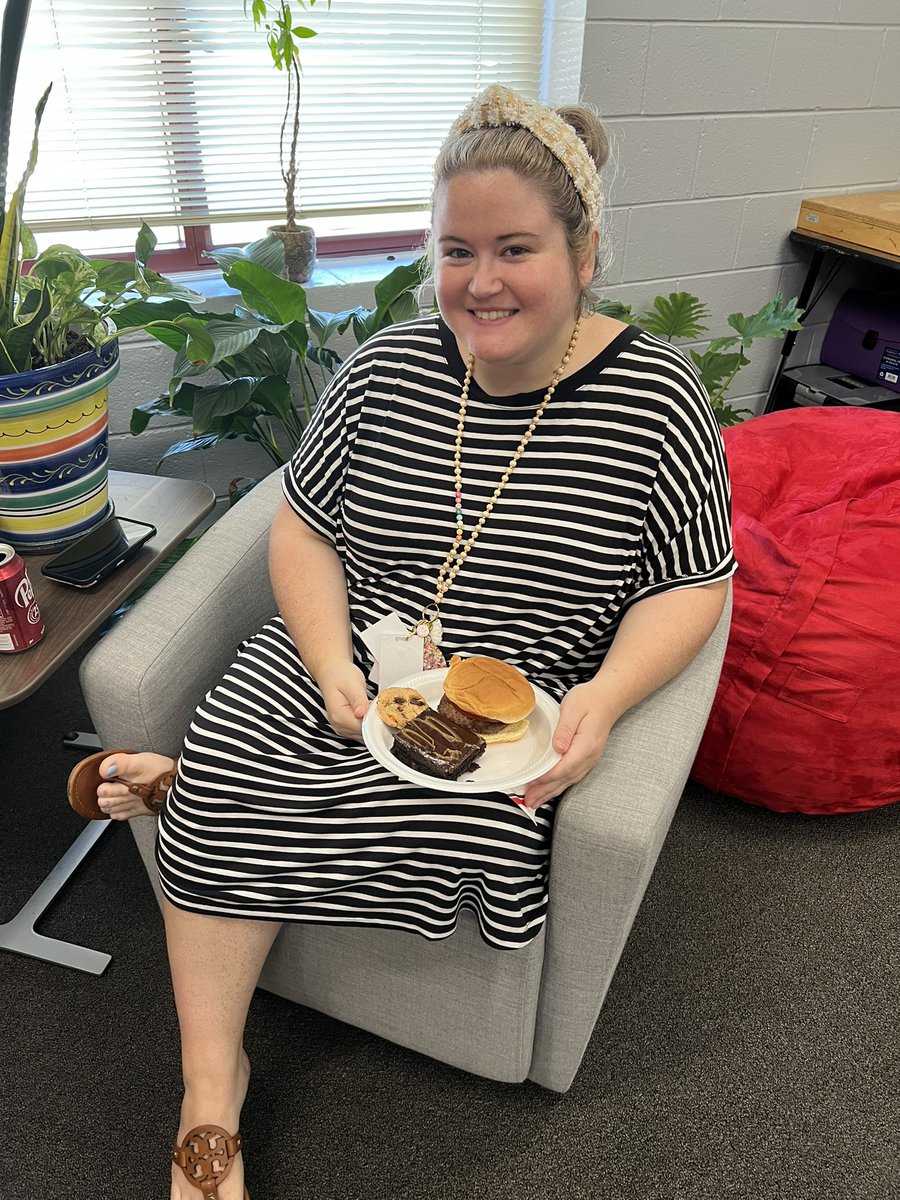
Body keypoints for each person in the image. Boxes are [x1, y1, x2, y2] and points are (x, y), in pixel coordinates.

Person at [72, 84, 736, 1200]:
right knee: (242, 724)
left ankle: (196, 796)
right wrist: (329, 661)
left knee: (457, 823)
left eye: (516, 248)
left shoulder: (655, 399)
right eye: (456, 250)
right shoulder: (386, 368)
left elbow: (693, 583)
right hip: (353, 657)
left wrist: (609, 697)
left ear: (585, 252)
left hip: (508, 711)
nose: (481, 282)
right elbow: (303, 524)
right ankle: (210, 1091)